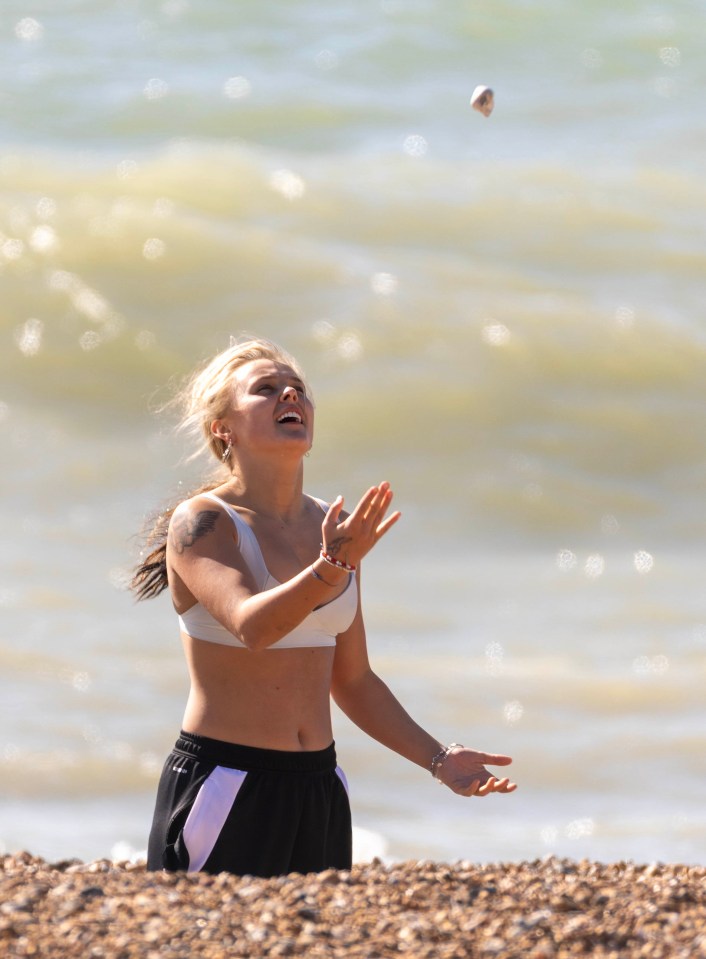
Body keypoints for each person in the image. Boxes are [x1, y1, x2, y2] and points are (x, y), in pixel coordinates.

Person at [132, 336, 516, 878]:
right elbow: (252, 626)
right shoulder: (204, 523)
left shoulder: (330, 528)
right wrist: (332, 566)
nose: (290, 394)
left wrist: (438, 759)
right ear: (223, 428)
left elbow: (353, 680)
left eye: (298, 388)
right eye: (266, 389)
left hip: (320, 785)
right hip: (227, 782)